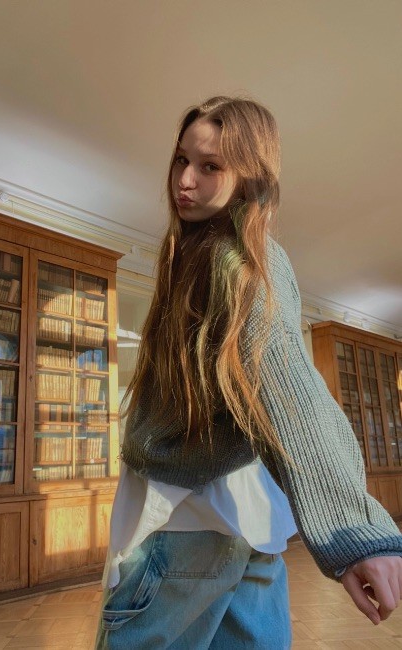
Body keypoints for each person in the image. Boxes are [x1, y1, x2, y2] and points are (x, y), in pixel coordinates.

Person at [95, 96, 402, 649]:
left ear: (250, 177)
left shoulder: (237, 259)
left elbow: (288, 387)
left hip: (185, 527)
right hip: (246, 527)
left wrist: (357, 532)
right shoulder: (194, 256)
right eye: (181, 159)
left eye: (210, 166)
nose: (184, 180)